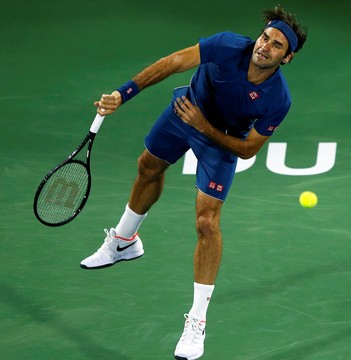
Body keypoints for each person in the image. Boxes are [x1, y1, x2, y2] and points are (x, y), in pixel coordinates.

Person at [79, 5, 307, 360]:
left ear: (287, 58)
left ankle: (197, 321)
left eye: (276, 45)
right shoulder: (227, 45)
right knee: (147, 167)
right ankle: (124, 241)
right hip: (185, 109)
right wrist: (123, 94)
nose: (265, 46)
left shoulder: (278, 99)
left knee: (206, 222)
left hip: (221, 138)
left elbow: (248, 150)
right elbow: (174, 63)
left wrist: (204, 127)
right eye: (265, 37)